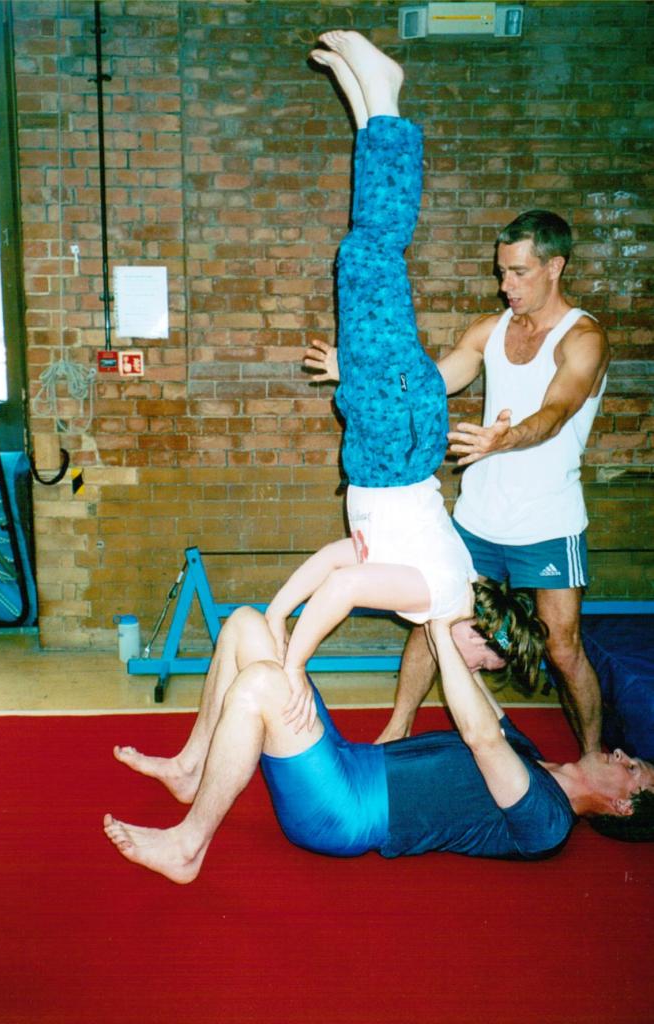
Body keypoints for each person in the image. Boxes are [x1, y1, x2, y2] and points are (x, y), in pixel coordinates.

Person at [264, 30, 543, 733]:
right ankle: (384, 98)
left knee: (363, 251)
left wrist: (276, 613)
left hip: (391, 428)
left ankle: (368, 108)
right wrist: (291, 664)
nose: (471, 671)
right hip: (392, 437)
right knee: (371, 251)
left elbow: (342, 558)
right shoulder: (439, 596)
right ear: (482, 635)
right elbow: (344, 588)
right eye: (484, 663)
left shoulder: (450, 600)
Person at [305, 174, 609, 756]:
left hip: (548, 521)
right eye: (501, 272)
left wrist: (507, 438)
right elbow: (427, 386)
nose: (505, 285)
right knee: (435, 620)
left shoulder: (584, 338)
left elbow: (557, 411)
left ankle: (593, 757)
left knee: (562, 646)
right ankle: (397, 729)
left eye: (518, 272)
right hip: (477, 517)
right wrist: (360, 374)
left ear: (555, 267)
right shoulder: (491, 330)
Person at [103, 603, 654, 884]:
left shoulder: (548, 822)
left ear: (622, 806)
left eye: (633, 770)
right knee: (247, 624)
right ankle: (192, 770)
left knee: (261, 685)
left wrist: (440, 629)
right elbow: (470, 675)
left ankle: (189, 846)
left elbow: (482, 737)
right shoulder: (533, 754)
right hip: (348, 760)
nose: (622, 754)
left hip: (345, 811)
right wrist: (461, 618)